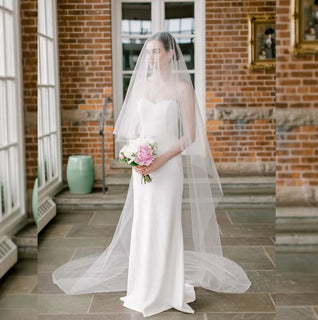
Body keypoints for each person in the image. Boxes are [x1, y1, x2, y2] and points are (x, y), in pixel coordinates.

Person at [52, 32, 251, 318]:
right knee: (144, 226)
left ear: (171, 54)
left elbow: (189, 138)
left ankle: (167, 290)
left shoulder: (182, 88)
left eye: (156, 51)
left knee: (166, 226)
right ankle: (143, 289)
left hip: (168, 169)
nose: (151, 57)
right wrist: (134, 157)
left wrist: (160, 159)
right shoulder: (141, 88)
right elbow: (131, 132)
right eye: (147, 52)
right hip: (143, 169)